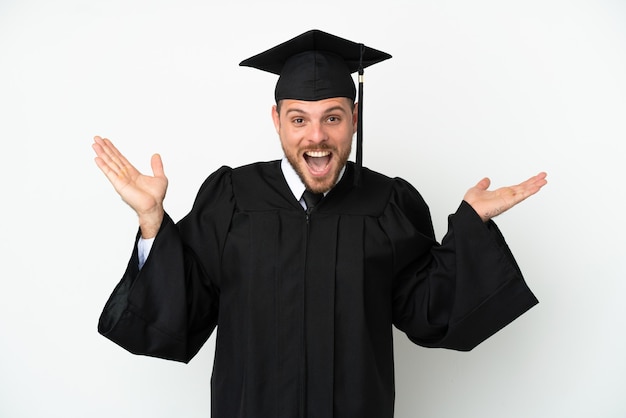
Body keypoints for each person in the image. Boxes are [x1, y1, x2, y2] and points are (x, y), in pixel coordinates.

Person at [92, 29, 547, 418]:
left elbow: (429, 311)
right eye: (299, 119)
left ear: (354, 118)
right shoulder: (232, 199)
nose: (316, 136)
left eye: (332, 117)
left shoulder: (388, 204)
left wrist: (470, 227)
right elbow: (181, 310)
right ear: (277, 121)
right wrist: (152, 220)